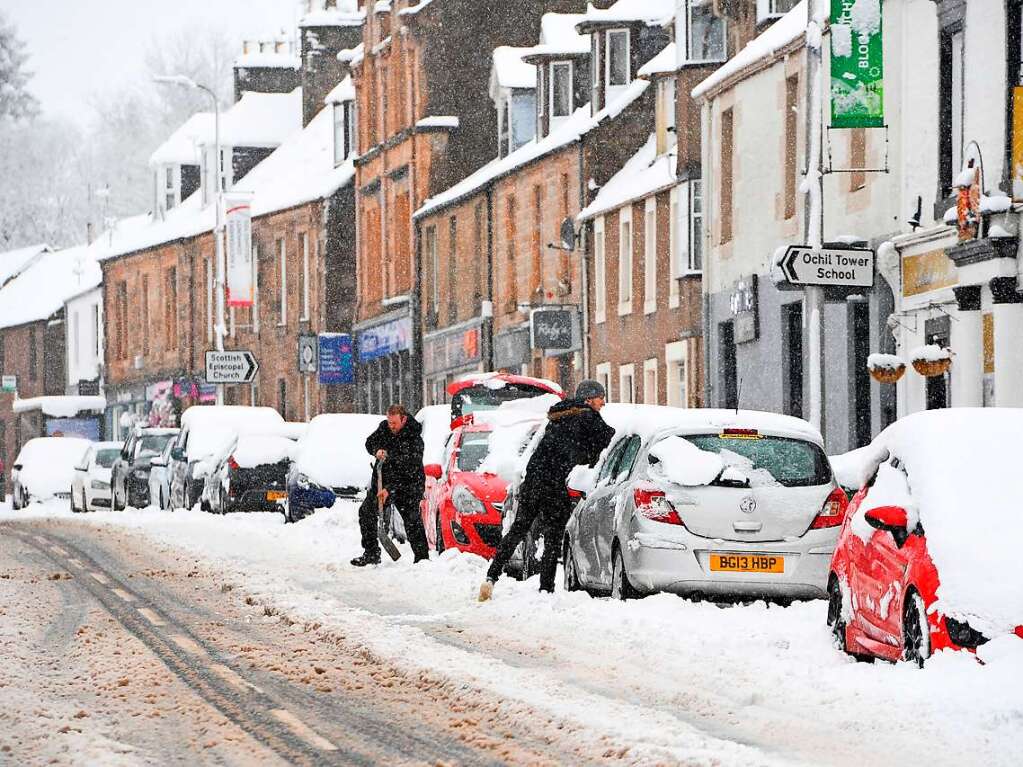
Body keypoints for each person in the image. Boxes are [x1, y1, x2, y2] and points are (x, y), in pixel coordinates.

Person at [479, 380, 615, 601]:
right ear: (589, 399)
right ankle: (546, 588)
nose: (604, 403)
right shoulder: (588, 417)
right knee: (553, 536)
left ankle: (491, 576)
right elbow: (610, 440)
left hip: (533, 479)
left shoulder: (559, 416)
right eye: (601, 398)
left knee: (518, 530)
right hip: (554, 483)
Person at [350, 404, 430, 566]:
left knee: (412, 520)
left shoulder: (414, 439)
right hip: (382, 483)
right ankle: (371, 553)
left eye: (394, 423)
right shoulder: (384, 428)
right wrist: (376, 450)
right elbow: (369, 442)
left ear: (404, 419)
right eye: (389, 422)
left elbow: (409, 470)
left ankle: (422, 560)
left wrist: (391, 489)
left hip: (407, 486)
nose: (391, 426)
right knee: (366, 513)